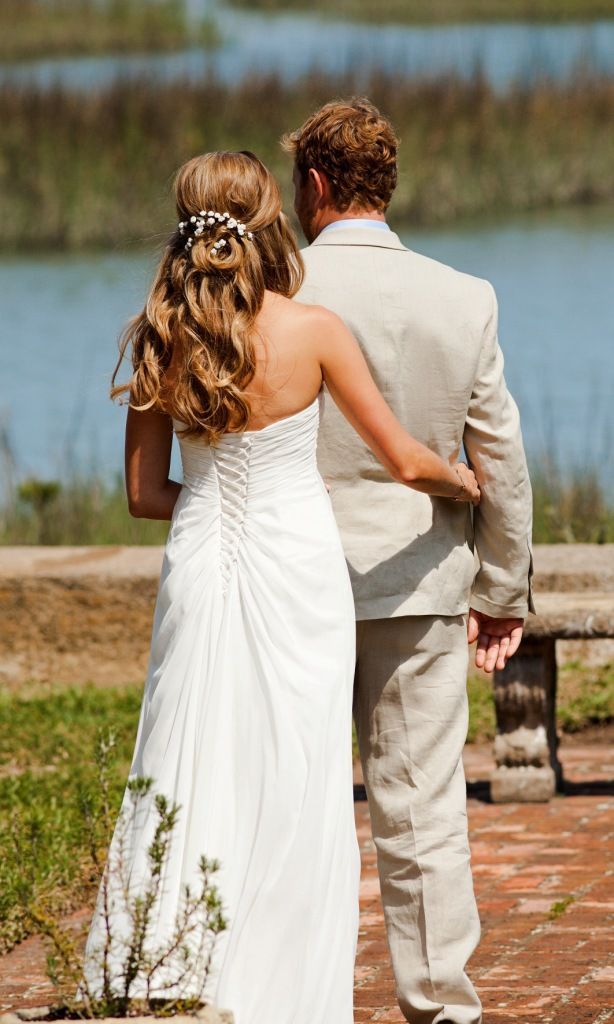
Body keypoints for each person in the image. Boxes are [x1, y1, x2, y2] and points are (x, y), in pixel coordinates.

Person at [79, 150, 480, 1023]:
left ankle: (170, 966)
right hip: (301, 570)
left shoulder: (159, 331)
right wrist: (463, 483)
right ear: (268, 221)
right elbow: (407, 462)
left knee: (190, 756)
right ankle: (284, 991)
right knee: (298, 772)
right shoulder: (315, 329)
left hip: (202, 560)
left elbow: (146, 496)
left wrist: (219, 501)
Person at [284, 98, 535, 1024]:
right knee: (423, 811)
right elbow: (500, 455)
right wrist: (502, 587)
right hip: (421, 578)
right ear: (386, 184)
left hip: (289, 585)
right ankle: (440, 1009)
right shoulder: (464, 297)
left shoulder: (275, 297)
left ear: (311, 184)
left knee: (283, 802)